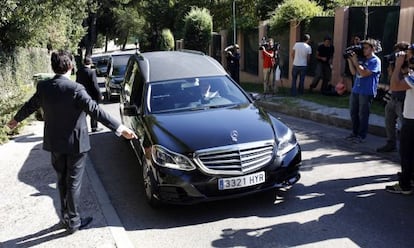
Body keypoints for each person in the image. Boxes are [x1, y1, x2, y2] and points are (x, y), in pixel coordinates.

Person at [6, 50, 137, 234]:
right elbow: (95, 110)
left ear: (53, 67)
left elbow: (30, 105)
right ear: (70, 66)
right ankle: (74, 222)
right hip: (76, 145)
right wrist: (120, 128)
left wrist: (15, 120)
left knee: (62, 180)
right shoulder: (76, 89)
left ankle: (65, 216)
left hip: (55, 143)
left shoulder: (44, 87)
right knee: (73, 183)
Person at [385, 44, 414, 195]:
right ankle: (410, 178)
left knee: (406, 152)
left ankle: (405, 185)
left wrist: (397, 66)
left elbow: (395, 86)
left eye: (408, 55)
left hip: (411, 119)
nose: (406, 57)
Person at [345, 39, 381, 143]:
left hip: (366, 91)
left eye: (366, 48)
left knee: (363, 114)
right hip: (356, 89)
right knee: (353, 112)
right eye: (363, 48)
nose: (363, 50)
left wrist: (356, 62)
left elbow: (364, 73)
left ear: (372, 49)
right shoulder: (362, 59)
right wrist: (349, 60)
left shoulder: (375, 61)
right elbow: (353, 72)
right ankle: (354, 133)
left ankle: (361, 136)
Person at [376, 42, 410, 153]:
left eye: (398, 52)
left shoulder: (410, 64)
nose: (396, 54)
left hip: (403, 100)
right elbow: (391, 78)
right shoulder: (397, 64)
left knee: (406, 127)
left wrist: (402, 65)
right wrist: (393, 64)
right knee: (389, 122)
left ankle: (406, 150)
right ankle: (391, 143)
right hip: (393, 98)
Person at [76, 56, 103, 132]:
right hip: (91, 95)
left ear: (83, 63)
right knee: (93, 112)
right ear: (90, 63)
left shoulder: (79, 72)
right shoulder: (91, 72)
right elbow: (95, 85)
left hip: (82, 94)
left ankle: (80, 128)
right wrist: (99, 95)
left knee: (82, 113)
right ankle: (94, 127)